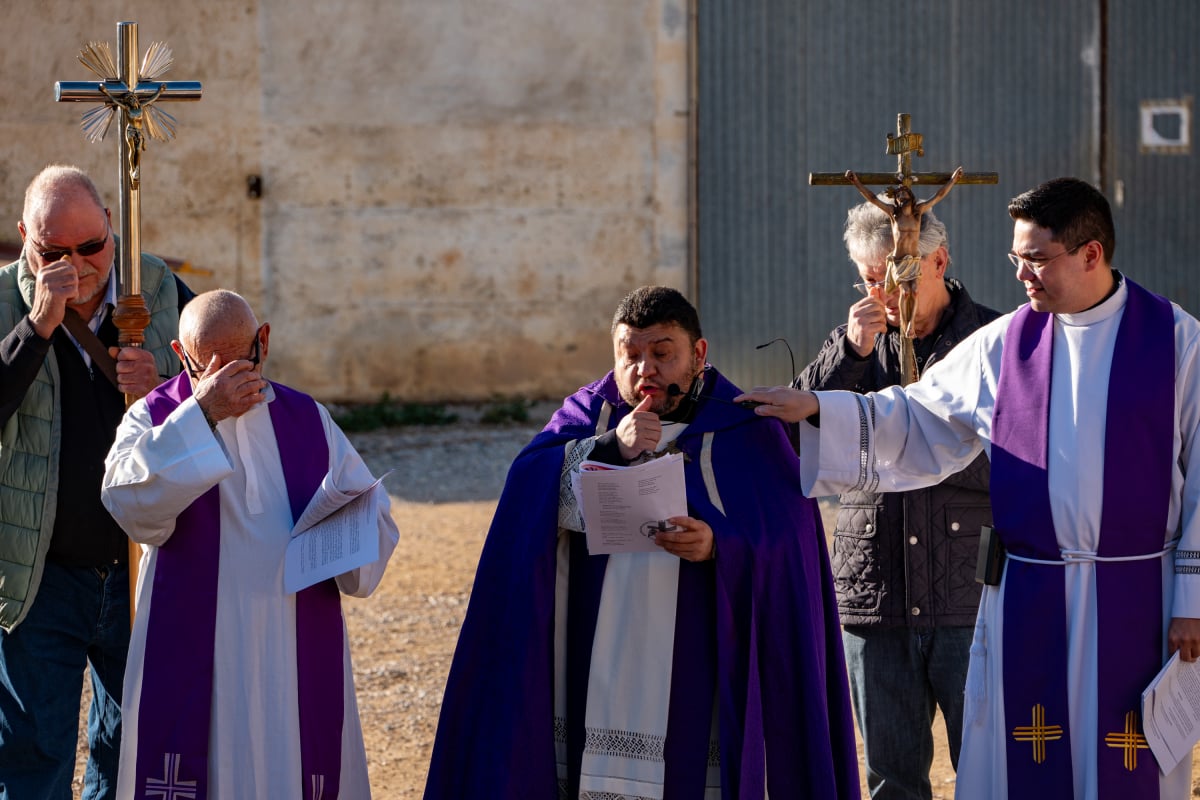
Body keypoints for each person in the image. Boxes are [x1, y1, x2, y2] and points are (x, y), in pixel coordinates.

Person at [737, 177, 1200, 800]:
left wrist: (1192, 599)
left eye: (1036, 259)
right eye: (1017, 259)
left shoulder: (1175, 340)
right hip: (1030, 591)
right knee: (1027, 761)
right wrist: (820, 408)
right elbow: (918, 416)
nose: (1022, 275)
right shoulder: (1008, 344)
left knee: (1128, 762)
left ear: (1091, 254)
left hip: (1140, 594)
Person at [424, 286, 860, 799]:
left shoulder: (744, 427)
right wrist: (610, 447)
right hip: (592, 649)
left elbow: (792, 547)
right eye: (630, 355)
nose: (644, 370)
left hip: (695, 658)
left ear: (698, 355)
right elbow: (526, 491)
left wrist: (721, 547)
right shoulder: (591, 415)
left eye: (661, 353)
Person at [101, 289, 399, 799]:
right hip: (197, 647)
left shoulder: (309, 421)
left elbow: (375, 519)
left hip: (294, 645)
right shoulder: (153, 419)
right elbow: (128, 504)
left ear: (263, 342)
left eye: (240, 364)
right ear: (180, 355)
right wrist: (202, 415)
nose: (226, 384)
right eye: (207, 370)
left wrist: (352, 534)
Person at [794, 199, 999, 800]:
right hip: (876, 595)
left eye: (900, 274)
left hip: (972, 594)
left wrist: (908, 443)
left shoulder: (993, 342)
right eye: (869, 278)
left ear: (939, 260)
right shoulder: (852, 346)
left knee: (990, 768)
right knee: (890, 781)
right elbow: (795, 439)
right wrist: (850, 357)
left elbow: (1022, 459)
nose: (885, 292)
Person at [0, 164, 192, 799]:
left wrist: (163, 392)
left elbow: (221, 401)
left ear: (114, 227)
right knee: (34, 752)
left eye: (91, 247)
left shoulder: (160, 291)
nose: (76, 266)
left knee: (130, 745)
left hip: (142, 563)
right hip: (39, 571)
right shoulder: (5, 300)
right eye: (53, 252)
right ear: (24, 236)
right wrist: (36, 328)